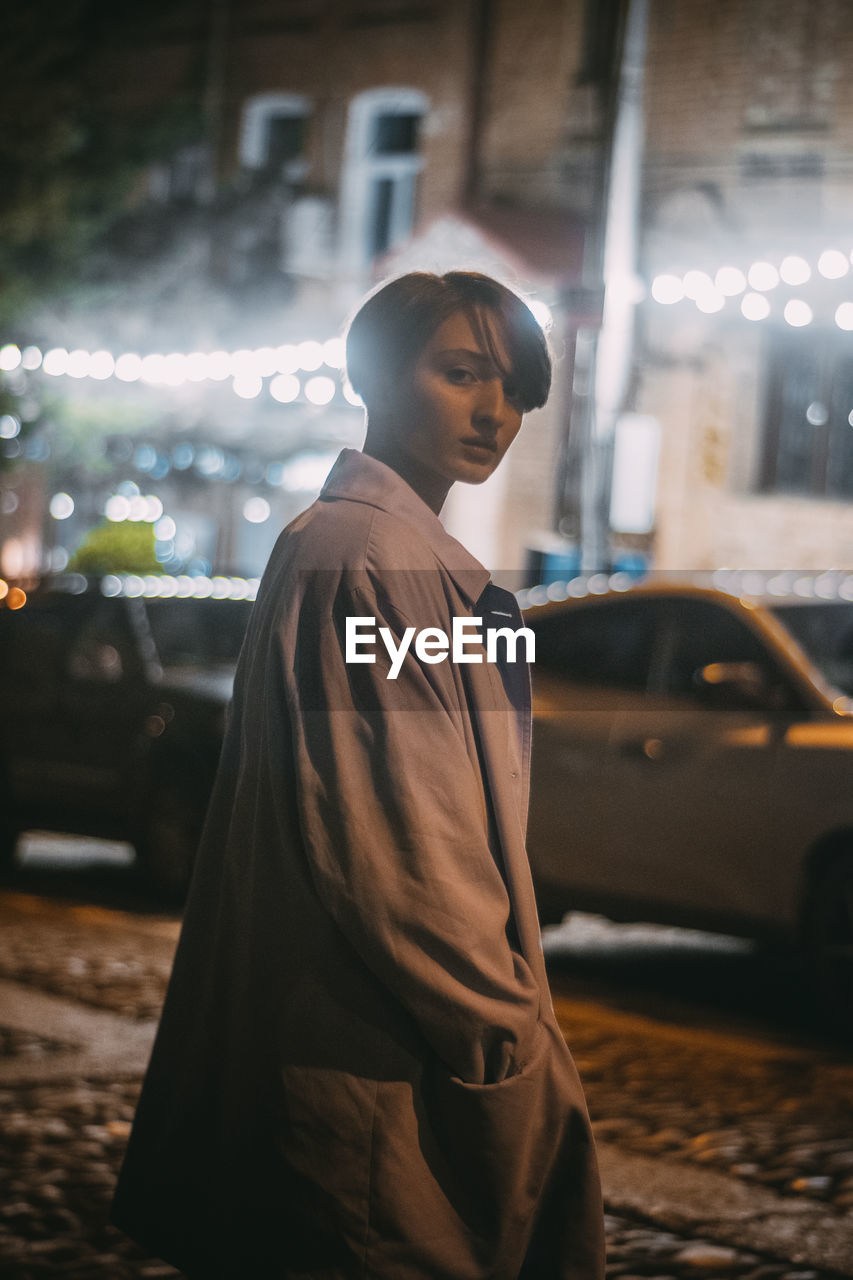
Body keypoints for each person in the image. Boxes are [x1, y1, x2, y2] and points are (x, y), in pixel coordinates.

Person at [111, 270, 605, 1279]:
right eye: (460, 372)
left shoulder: (391, 555)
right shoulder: (363, 557)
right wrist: (506, 1037)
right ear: (376, 375)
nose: (493, 410)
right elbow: (400, 843)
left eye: (512, 385)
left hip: (382, 1044)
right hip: (373, 1059)